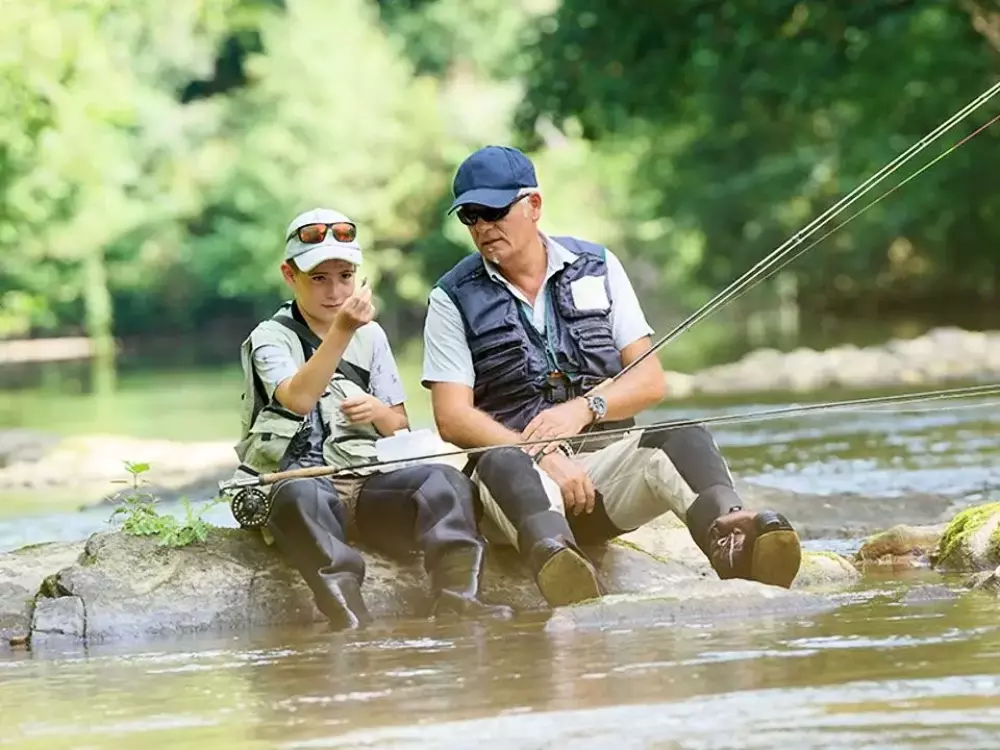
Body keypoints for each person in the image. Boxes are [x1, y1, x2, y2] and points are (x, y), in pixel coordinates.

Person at [420, 145, 802, 607]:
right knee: (502, 462)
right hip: (514, 488)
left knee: (682, 435)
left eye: (493, 211)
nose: (483, 227)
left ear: (533, 205)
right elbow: (451, 417)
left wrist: (585, 409)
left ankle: (735, 542)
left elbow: (649, 381)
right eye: (470, 217)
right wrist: (538, 452)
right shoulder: (450, 297)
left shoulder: (599, 266)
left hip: (604, 477)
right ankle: (561, 567)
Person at [231, 207, 514, 629]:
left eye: (345, 277)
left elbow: (398, 425)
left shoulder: (373, 335)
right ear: (290, 276)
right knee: (300, 495)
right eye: (319, 279)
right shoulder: (269, 338)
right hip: (302, 489)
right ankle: (350, 618)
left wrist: (380, 412)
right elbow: (296, 399)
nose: (334, 291)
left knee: (445, 480)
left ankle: (459, 599)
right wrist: (343, 329)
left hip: (368, 490)